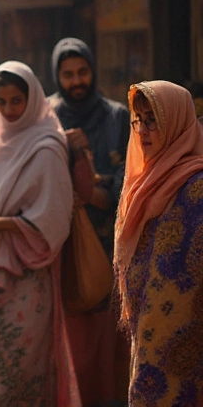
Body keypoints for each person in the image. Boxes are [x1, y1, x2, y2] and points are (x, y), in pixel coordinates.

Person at [0, 62, 79, 406]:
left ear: (32, 99)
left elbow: (53, 217)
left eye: (16, 101)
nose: (9, 110)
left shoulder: (48, 147)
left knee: (22, 368)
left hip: (26, 276)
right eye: (2, 102)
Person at [46, 38, 130, 406]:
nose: (76, 81)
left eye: (83, 72)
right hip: (62, 246)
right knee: (69, 339)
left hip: (110, 243)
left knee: (110, 342)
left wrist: (91, 184)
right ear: (56, 76)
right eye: (68, 75)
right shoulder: (45, 117)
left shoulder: (117, 116)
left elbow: (127, 180)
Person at [113, 81, 203, 405]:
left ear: (176, 122)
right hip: (149, 334)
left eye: (153, 120)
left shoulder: (196, 186)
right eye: (138, 120)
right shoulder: (144, 185)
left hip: (186, 342)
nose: (143, 130)